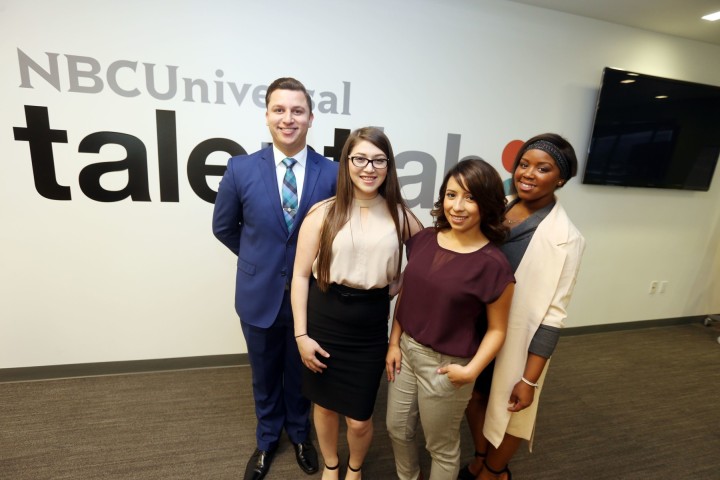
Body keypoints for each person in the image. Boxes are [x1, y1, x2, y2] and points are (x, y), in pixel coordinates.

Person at [212, 77, 338, 480]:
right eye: (279, 110)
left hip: (312, 298)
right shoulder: (240, 168)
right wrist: (259, 261)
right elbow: (224, 227)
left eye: (297, 110)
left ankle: (300, 434)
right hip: (258, 295)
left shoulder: (334, 173)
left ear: (310, 118)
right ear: (267, 116)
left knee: (302, 371)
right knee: (264, 373)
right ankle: (267, 439)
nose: (288, 118)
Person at [291, 127, 423, 480]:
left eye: (379, 160)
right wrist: (301, 336)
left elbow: (428, 265)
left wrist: (398, 283)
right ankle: (332, 466)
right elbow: (301, 276)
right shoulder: (323, 213)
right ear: (347, 162)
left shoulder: (401, 216)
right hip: (324, 320)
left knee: (360, 418)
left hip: (369, 327)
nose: (369, 167)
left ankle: (355, 468)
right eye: (360, 158)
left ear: (388, 166)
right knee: (324, 407)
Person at [458, 133, 586, 480]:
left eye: (542, 168)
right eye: (524, 165)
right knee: (474, 395)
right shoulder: (499, 206)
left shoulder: (568, 238)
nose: (528, 174)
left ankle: (495, 472)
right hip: (477, 327)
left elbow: (555, 315)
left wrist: (530, 380)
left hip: (519, 337)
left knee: (514, 409)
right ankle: (482, 455)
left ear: (560, 179)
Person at [386, 158, 515, 480]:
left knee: (440, 446)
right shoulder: (425, 240)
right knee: (397, 429)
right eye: (451, 195)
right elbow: (408, 295)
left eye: (470, 198)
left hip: (446, 365)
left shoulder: (493, 265)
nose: (458, 206)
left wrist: (471, 370)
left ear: (487, 204)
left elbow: (498, 330)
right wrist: (393, 343)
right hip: (406, 352)